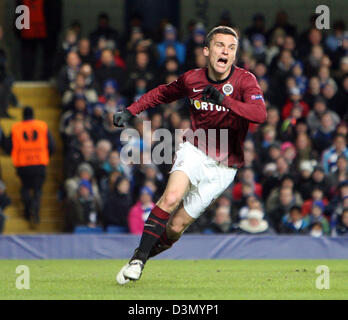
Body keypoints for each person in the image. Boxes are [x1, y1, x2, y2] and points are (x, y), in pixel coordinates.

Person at [114, 26, 266, 284]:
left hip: (225, 167)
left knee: (175, 228)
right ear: (207, 51)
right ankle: (138, 259)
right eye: (220, 45)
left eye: (231, 47)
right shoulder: (192, 80)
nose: (225, 51)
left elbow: (260, 115)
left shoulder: (245, 81)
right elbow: (162, 93)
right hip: (196, 147)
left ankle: (140, 258)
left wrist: (224, 100)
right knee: (171, 197)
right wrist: (131, 110)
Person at [6, 107, 55, 224]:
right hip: (39, 163)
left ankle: (27, 210)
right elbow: (52, 145)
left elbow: (8, 146)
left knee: (25, 187)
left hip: (23, 164)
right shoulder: (42, 126)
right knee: (38, 189)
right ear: (33, 115)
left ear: (23, 116)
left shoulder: (16, 128)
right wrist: (46, 156)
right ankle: (36, 211)